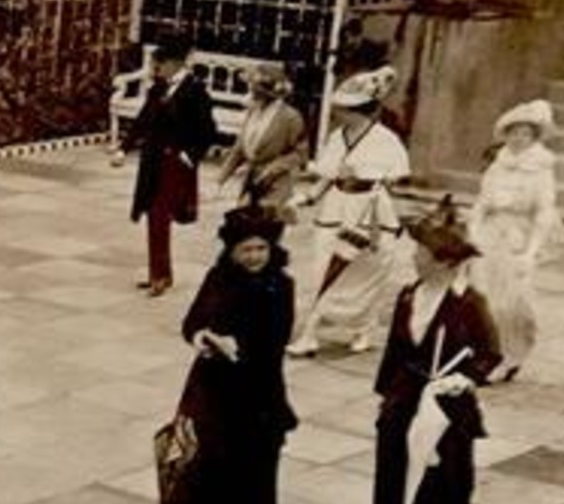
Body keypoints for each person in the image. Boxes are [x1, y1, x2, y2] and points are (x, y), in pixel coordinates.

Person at [340, 197, 502, 504]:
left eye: (421, 253)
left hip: (449, 407)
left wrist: (464, 378)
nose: (414, 257)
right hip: (405, 400)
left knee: (450, 485)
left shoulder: (469, 303)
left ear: (444, 262)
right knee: (389, 486)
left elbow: (490, 353)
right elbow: (396, 349)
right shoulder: (409, 295)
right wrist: (387, 398)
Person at [156, 206, 299, 504]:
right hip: (211, 389)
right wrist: (202, 336)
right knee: (199, 465)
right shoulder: (217, 278)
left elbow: (275, 340)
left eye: (260, 249)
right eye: (246, 249)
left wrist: (237, 347)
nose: (254, 257)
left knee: (250, 472)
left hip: (256, 393)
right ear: (232, 251)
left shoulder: (280, 286)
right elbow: (192, 321)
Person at [287, 65, 410, 357]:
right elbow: (327, 177)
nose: (340, 113)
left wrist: (366, 174)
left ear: (364, 110)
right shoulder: (336, 137)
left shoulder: (385, 139)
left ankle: (364, 327)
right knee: (324, 271)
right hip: (336, 210)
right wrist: (307, 198)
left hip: (370, 212)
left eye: (347, 109)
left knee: (366, 272)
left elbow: (398, 178)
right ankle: (310, 333)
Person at [468, 99, 560, 381]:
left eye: (525, 133)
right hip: (490, 234)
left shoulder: (541, 170)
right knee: (479, 295)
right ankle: (483, 352)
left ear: (534, 137)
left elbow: (545, 212)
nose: (518, 139)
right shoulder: (499, 163)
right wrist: (473, 231)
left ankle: (509, 356)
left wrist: (530, 252)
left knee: (509, 302)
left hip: (517, 237)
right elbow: (482, 202)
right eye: (513, 132)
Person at [123, 34, 218, 298]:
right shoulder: (158, 89)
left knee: (159, 215)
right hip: (153, 162)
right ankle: (160, 273)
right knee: (154, 217)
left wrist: (190, 156)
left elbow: (209, 130)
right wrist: (124, 147)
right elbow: (143, 120)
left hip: (175, 164)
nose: (156, 69)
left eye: (160, 64)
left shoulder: (195, 91)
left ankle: (160, 277)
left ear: (174, 63)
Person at [217, 63, 309, 223]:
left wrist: (274, 168)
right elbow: (240, 147)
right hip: (251, 182)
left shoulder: (290, 117)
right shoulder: (253, 111)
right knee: (244, 229)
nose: (251, 93)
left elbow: (300, 154)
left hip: (275, 185)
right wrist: (222, 176)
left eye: (254, 90)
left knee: (264, 232)